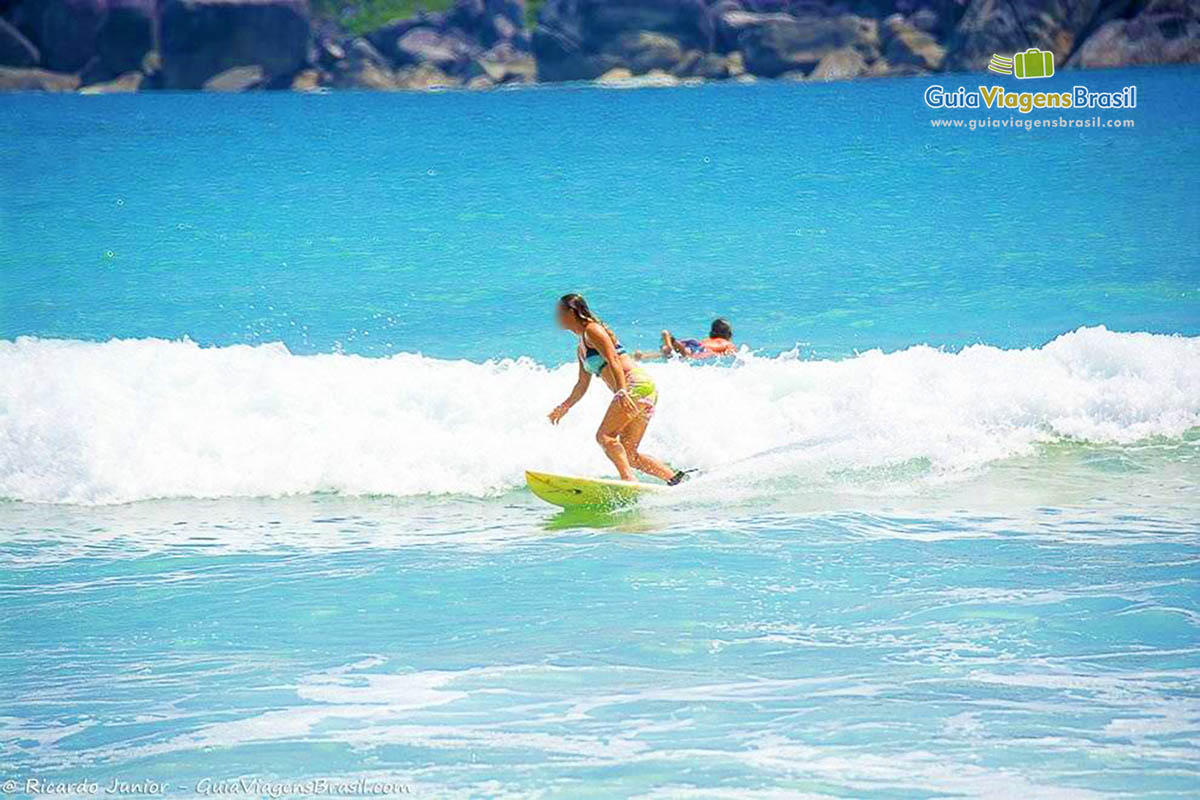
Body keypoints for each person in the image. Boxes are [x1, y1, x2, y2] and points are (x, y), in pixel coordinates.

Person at [549, 293, 688, 485]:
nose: (556, 317)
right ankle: (675, 479)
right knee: (629, 454)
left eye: (559, 312)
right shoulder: (581, 346)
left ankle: (628, 482)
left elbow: (613, 359)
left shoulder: (593, 330)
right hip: (641, 390)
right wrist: (565, 406)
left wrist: (621, 390)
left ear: (571, 313)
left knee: (604, 436)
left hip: (636, 386)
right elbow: (582, 384)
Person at [635, 318, 736, 361]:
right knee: (688, 356)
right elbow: (733, 354)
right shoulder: (727, 344)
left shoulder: (707, 340)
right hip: (702, 348)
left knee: (675, 353)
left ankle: (644, 355)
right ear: (729, 334)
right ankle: (673, 343)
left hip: (694, 343)